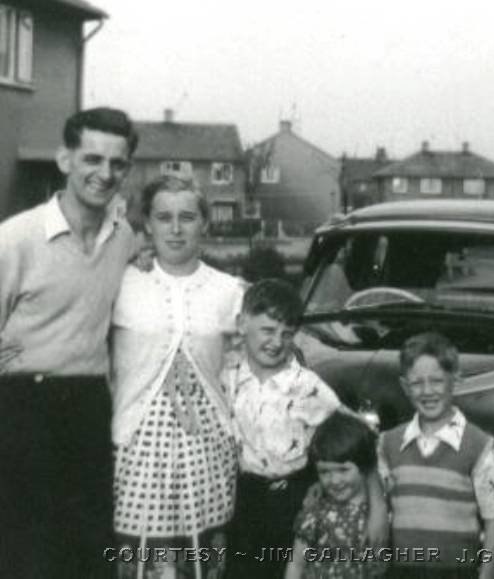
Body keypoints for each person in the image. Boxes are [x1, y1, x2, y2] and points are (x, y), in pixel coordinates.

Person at [0, 107, 138, 578]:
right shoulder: (16, 239)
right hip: (23, 409)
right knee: (28, 555)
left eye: (117, 164)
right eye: (92, 159)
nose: (104, 174)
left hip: (87, 408)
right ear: (65, 159)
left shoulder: (124, 239)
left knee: (89, 551)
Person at [110, 175, 245, 579]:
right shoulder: (120, 283)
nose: (175, 228)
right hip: (135, 444)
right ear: (147, 224)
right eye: (163, 217)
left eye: (187, 217)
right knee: (139, 561)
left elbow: (248, 364)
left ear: (205, 222)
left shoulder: (229, 289)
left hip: (207, 445)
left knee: (200, 560)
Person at [226, 279, 388, 579]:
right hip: (244, 498)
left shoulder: (307, 387)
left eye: (287, 334)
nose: (277, 342)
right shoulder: (228, 376)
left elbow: (361, 441)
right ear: (241, 324)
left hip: (296, 499)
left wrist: (377, 507)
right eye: (268, 330)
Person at [379, 332, 494, 579]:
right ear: (404, 387)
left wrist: (485, 573)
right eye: (416, 383)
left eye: (436, 381)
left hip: (457, 571)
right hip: (401, 571)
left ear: (454, 381)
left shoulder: (476, 444)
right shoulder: (389, 443)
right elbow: (374, 499)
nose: (427, 391)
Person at [285, 412, 385, 579]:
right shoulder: (316, 514)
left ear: (364, 465)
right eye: (325, 472)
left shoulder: (377, 516)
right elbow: (296, 563)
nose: (334, 480)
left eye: (343, 470)